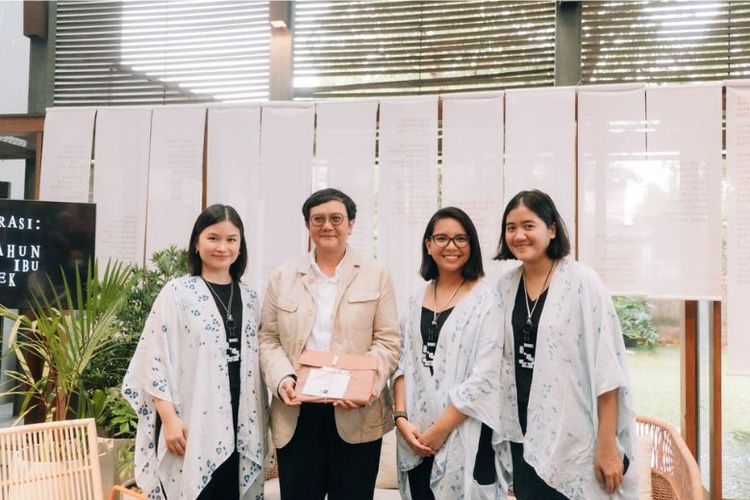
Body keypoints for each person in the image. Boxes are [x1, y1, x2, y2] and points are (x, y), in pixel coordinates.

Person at [493, 190, 637, 499]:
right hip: (522, 434)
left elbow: (607, 368)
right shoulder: (504, 287)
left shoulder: (583, 282)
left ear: (552, 229)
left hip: (576, 435)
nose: (519, 235)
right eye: (511, 227)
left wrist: (607, 445)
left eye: (529, 226)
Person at [258, 188, 400, 500]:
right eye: (318, 219)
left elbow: (388, 341)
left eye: (336, 218)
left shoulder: (376, 274)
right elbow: (267, 338)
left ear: (351, 224)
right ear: (307, 225)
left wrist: (363, 385)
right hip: (297, 412)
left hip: (356, 413)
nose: (327, 226)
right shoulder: (283, 276)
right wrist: (282, 379)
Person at [122, 204, 267, 500]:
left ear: (240, 246)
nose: (222, 247)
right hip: (192, 418)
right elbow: (155, 358)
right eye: (213, 238)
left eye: (231, 239)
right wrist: (169, 419)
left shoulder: (251, 297)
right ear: (197, 244)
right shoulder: (177, 293)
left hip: (242, 418)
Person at [393, 206, 507, 500]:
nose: (451, 246)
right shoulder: (415, 299)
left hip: (465, 434)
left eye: (460, 238)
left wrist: (440, 430)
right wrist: (401, 419)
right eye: (441, 238)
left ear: (472, 245)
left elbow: (485, 378)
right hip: (415, 436)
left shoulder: (487, 300)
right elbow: (401, 363)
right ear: (428, 245)